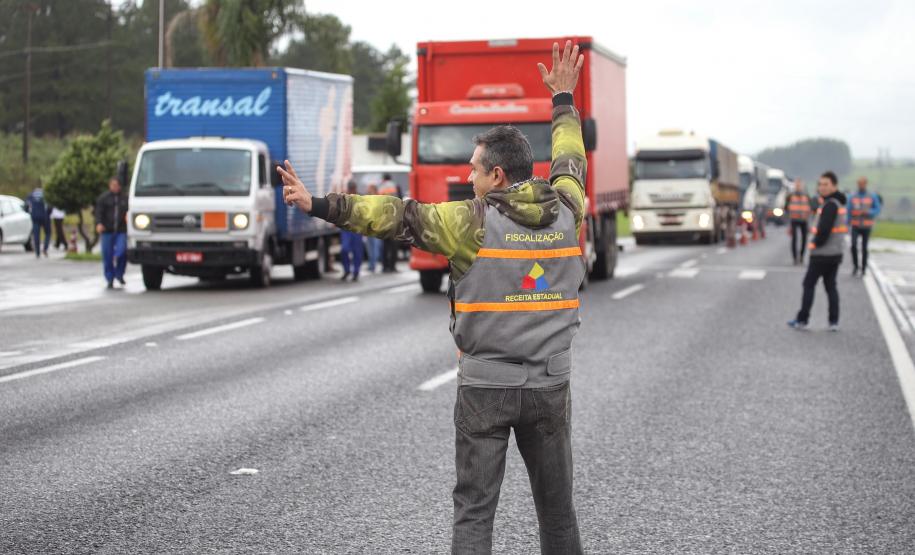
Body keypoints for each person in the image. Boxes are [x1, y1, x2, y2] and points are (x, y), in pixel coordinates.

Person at [279, 41, 587, 554]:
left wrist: (320, 205)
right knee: (557, 513)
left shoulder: (471, 220)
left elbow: (394, 215)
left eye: (473, 169)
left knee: (474, 513)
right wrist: (562, 100)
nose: (467, 177)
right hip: (550, 386)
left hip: (486, 387)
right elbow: (570, 158)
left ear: (496, 176)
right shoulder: (567, 210)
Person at [788, 171, 847, 331]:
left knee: (808, 284)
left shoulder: (830, 205)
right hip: (835, 253)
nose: (822, 187)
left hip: (823, 253)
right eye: (820, 184)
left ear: (834, 186)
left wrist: (814, 244)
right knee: (830, 286)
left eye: (826, 184)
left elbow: (824, 230)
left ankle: (802, 319)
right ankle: (833, 321)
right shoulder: (836, 202)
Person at [94, 176, 129, 289]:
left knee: (122, 251)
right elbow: (98, 212)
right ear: (110, 186)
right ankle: (110, 278)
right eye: (113, 185)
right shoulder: (103, 198)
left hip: (121, 230)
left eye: (117, 185)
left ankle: (119, 274)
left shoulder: (125, 198)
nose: (115, 187)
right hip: (107, 231)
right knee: (107, 255)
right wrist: (99, 223)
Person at [847, 176, 881, 276]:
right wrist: (847, 222)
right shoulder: (852, 196)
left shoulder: (872, 196)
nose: (861, 185)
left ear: (866, 184)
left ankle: (864, 268)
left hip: (867, 226)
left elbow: (877, 209)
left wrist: (869, 212)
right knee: (853, 245)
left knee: (864, 247)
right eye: (859, 183)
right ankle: (855, 266)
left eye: (863, 183)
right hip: (855, 225)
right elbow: (848, 210)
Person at [338, 180, 365, 282]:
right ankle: (346, 270)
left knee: (357, 252)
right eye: (350, 189)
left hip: (357, 229)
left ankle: (356, 272)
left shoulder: (361, 199)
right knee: (344, 249)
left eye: (353, 188)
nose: (351, 191)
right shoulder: (343, 198)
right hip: (346, 229)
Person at [377, 173, 402, 272]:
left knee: (384, 245)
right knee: (394, 245)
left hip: (383, 219)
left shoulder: (380, 188)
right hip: (394, 219)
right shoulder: (395, 186)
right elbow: (400, 201)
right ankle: (392, 266)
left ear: (384, 179)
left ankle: (384, 266)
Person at [786, 180, 812, 264]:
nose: (798, 187)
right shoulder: (790, 196)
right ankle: (794, 258)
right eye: (796, 185)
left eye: (799, 185)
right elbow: (786, 207)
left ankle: (801, 256)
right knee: (794, 239)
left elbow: (810, 207)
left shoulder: (806, 196)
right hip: (794, 219)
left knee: (804, 239)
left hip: (804, 220)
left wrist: (809, 219)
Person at [25, 185, 51, 258]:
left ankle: (37, 253)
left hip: (35, 217)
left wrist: (29, 213)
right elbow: (50, 206)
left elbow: (26, 205)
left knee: (36, 235)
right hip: (45, 217)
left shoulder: (31, 195)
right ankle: (45, 248)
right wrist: (48, 214)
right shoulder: (46, 195)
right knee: (48, 233)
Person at [364, 183, 384, 273]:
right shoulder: (368, 199)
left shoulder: (378, 199)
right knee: (370, 247)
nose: (368, 191)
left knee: (375, 246)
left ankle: (373, 264)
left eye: (369, 189)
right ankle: (371, 264)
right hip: (368, 226)